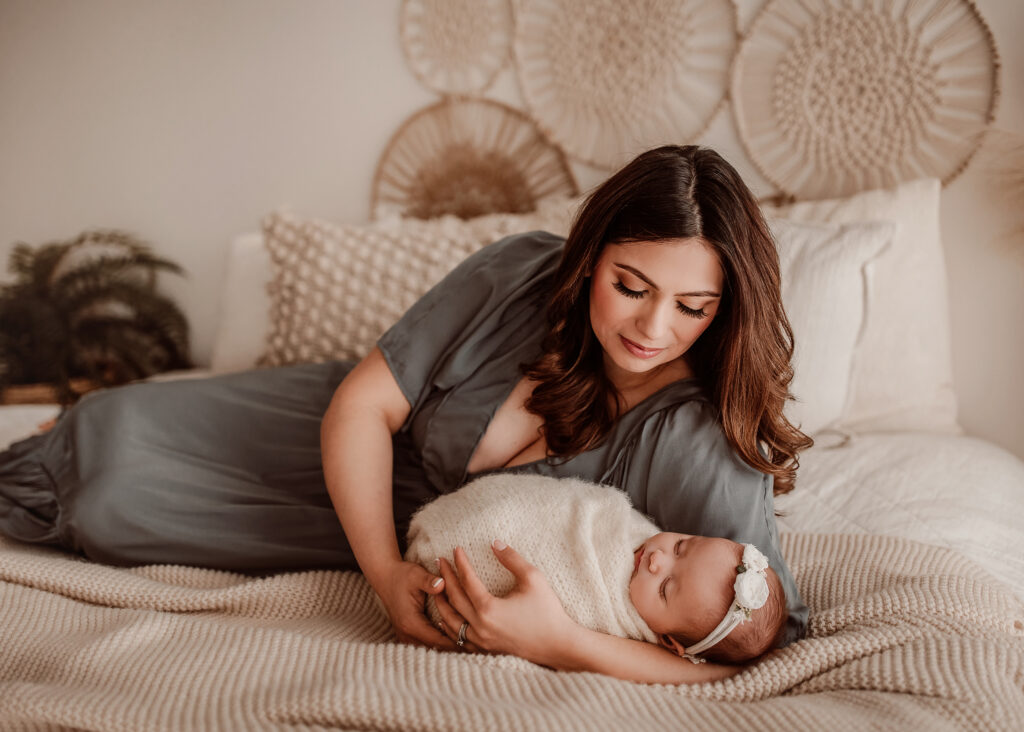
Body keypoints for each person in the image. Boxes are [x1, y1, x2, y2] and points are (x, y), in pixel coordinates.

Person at [0, 145, 811, 685]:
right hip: (341, 440)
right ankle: (69, 428)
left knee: (107, 507)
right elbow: (362, 405)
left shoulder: (702, 439)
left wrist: (561, 644)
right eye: (631, 286)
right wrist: (386, 577)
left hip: (398, 521)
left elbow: (738, 655)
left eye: (693, 307)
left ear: (725, 310)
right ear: (592, 254)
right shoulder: (523, 270)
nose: (652, 329)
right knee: (105, 438)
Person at [405, 472, 787, 680]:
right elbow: (576, 510)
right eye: (681, 546)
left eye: (667, 588)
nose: (656, 560)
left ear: (670, 642)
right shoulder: (636, 532)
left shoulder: (624, 624)